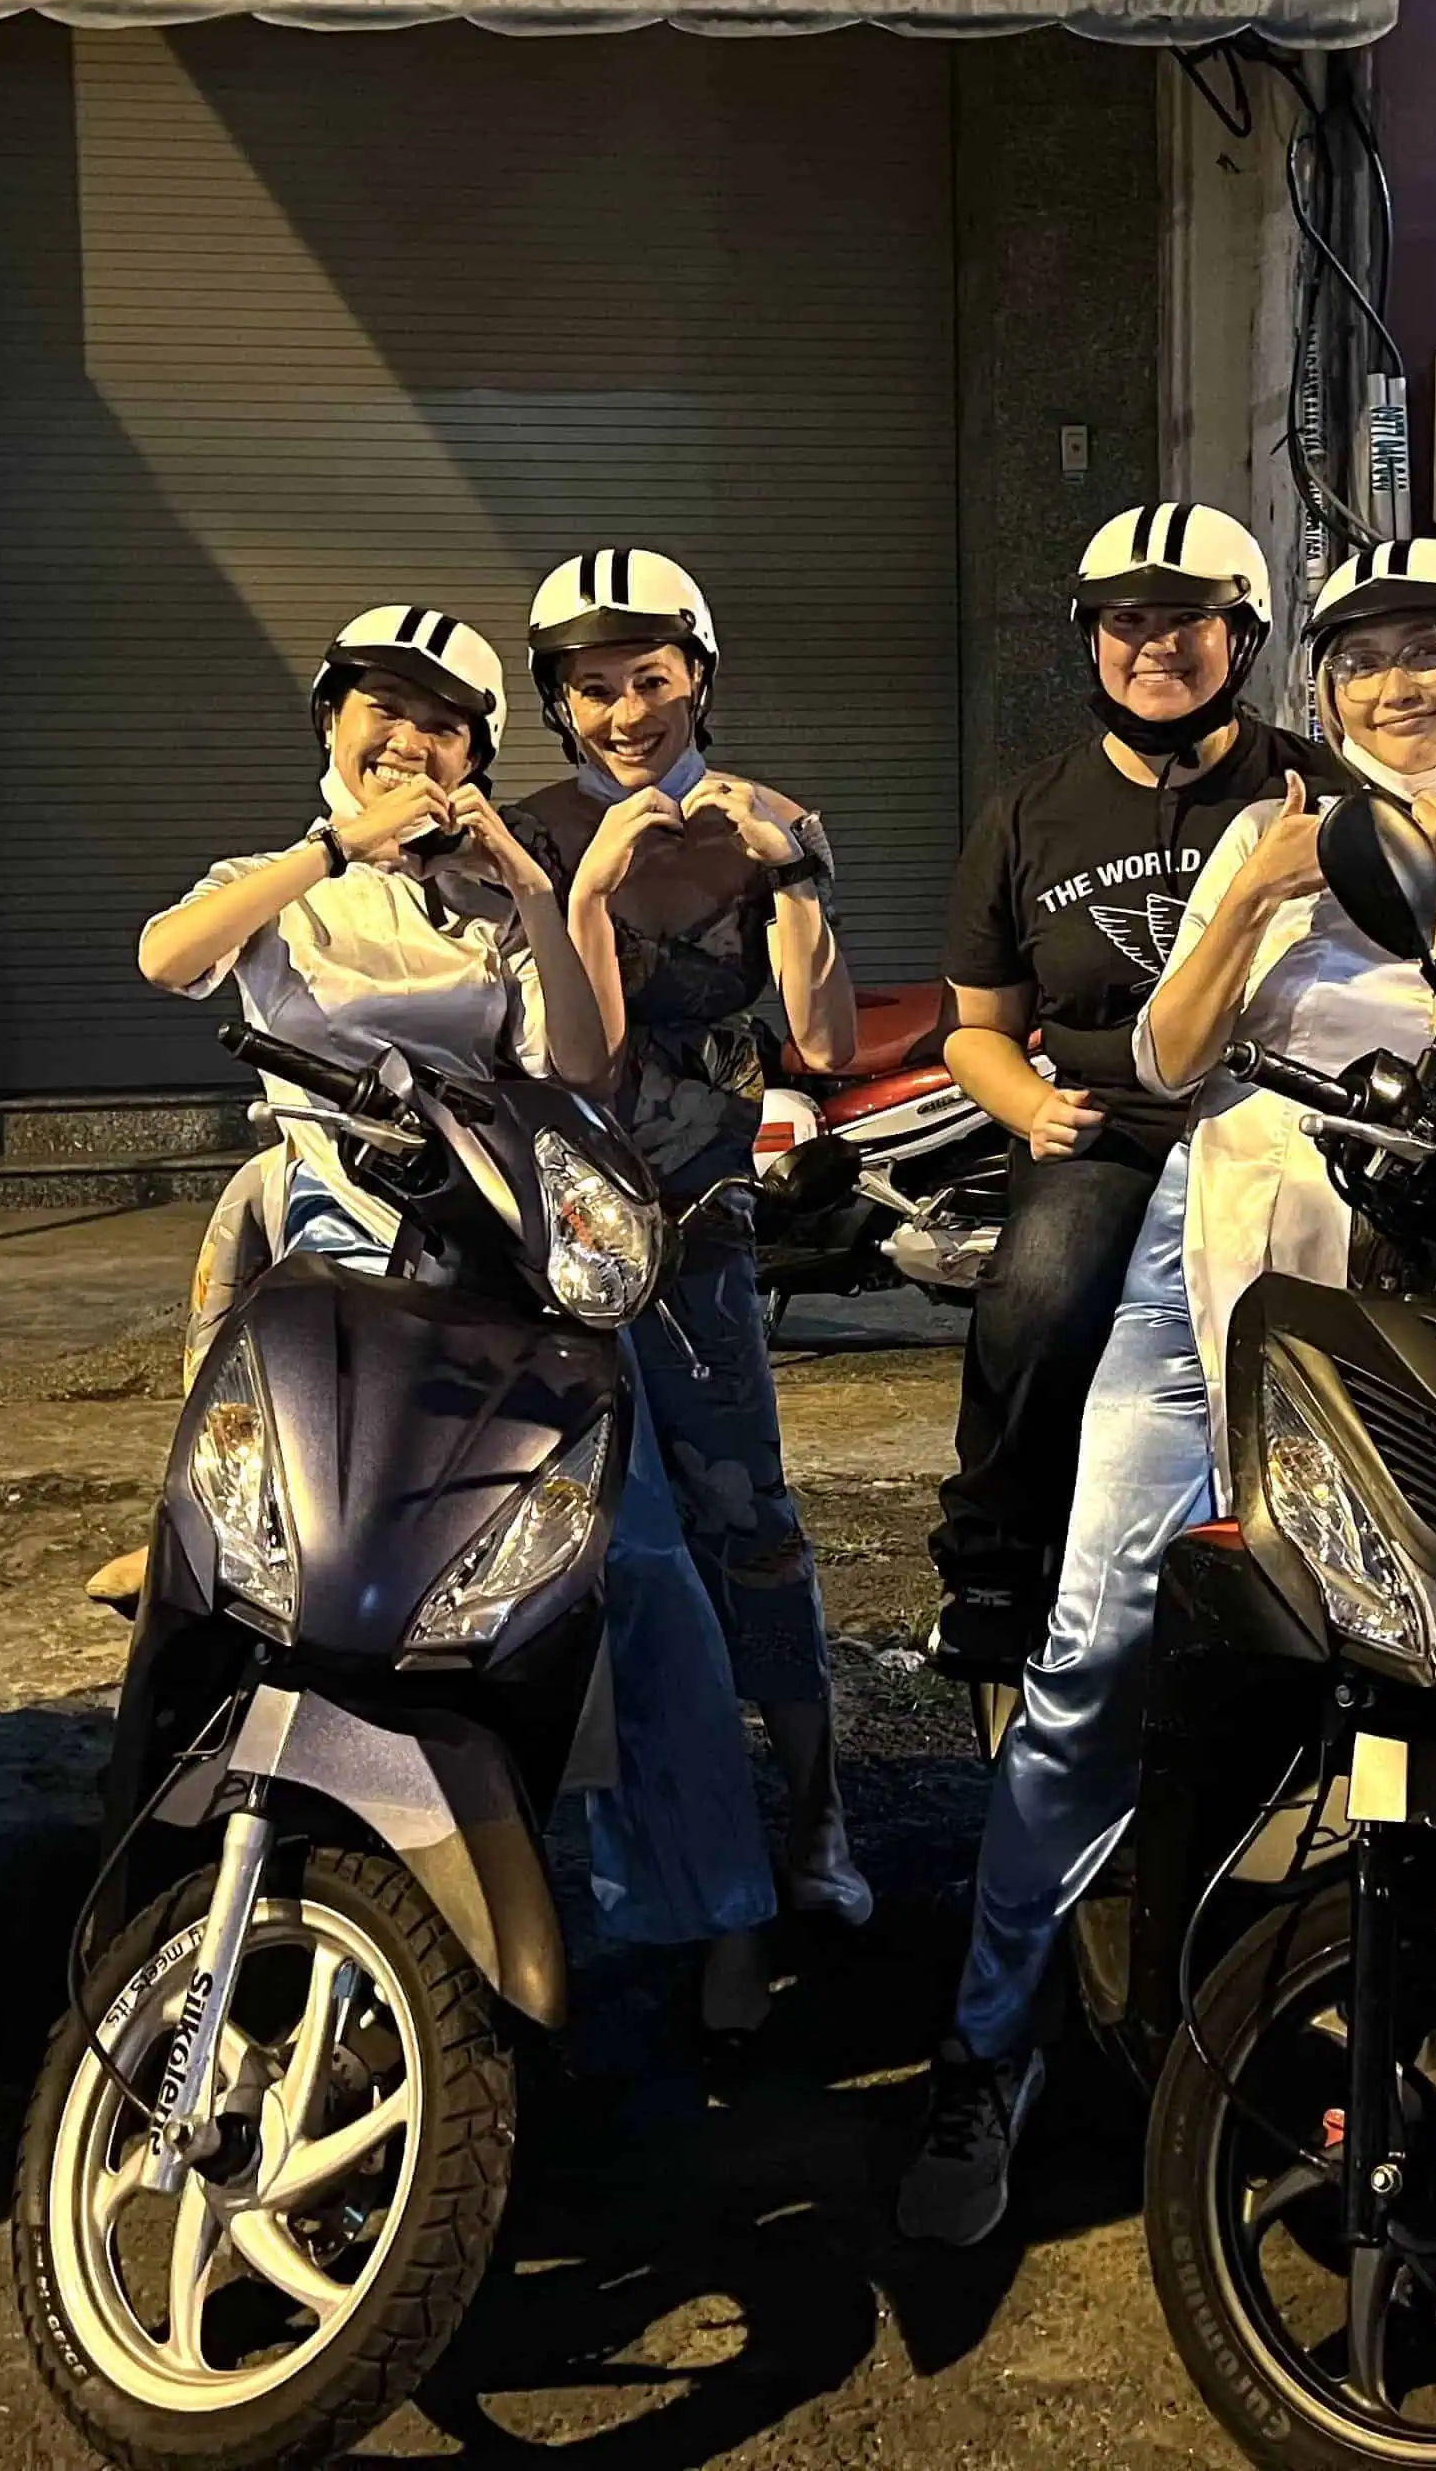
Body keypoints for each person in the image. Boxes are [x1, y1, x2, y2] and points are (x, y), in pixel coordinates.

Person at [901, 536, 1436, 2246]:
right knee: (1098, 1643)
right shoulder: (1257, 833)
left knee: (1418, 1661)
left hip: (1412, 1297)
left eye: (1433, 652)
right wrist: (1265, 891)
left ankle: (1392, 1996)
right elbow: (1162, 1059)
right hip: (1198, 1268)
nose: (1398, 684)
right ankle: (986, 2042)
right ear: (1320, 688)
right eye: (1365, 660)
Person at [137, 604, 783, 2019]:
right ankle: (177, 1863)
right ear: (329, 723)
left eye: (439, 722)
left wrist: (541, 898)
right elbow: (169, 959)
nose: (405, 741)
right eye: (379, 709)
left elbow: (580, 1060)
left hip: (501, 1271)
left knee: (643, 1565)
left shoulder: (493, 904)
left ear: (478, 754)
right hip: (332, 1261)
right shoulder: (283, 879)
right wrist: (330, 851)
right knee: (267, 1564)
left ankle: (709, 1900)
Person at [505, 549, 870, 1942]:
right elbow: (568, 1067)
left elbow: (825, 1042)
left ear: (699, 674)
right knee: (576, 1536)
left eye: (648, 677)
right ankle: (607, 1831)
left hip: (703, 1233)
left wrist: (799, 882)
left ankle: (815, 1810)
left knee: (748, 1524)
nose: (622, 711)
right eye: (591, 687)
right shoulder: (527, 836)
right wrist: (587, 890)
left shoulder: (769, 822)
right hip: (557, 1233)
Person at [925, 504, 1347, 1681]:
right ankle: (994, 1559)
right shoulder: (1026, 814)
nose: (1155, 646)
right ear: (1090, 638)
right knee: (1042, 1290)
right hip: (1108, 1128)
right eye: (1128, 621)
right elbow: (977, 1031)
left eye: (1189, 622)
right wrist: (1026, 1107)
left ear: (1244, 638)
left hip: (1281, 1126)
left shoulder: (1318, 791)